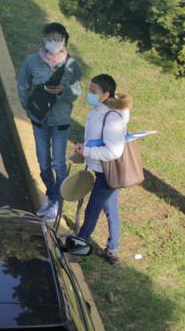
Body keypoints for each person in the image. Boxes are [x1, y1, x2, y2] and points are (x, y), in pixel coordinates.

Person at [17, 22, 81, 222]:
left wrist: (63, 92)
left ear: (64, 42)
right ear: (44, 39)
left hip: (60, 122)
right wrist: (29, 109)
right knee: (43, 163)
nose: (54, 42)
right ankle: (51, 196)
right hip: (39, 122)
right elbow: (22, 86)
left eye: (58, 38)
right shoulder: (32, 61)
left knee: (59, 165)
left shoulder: (71, 65)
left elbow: (76, 92)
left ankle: (57, 204)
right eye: (50, 37)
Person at [73, 74, 132, 264]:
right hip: (102, 171)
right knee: (110, 209)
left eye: (93, 91)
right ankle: (112, 250)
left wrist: (88, 151)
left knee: (92, 211)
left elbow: (113, 151)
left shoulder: (112, 117)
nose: (89, 94)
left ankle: (76, 252)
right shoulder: (101, 110)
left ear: (106, 94)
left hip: (107, 174)